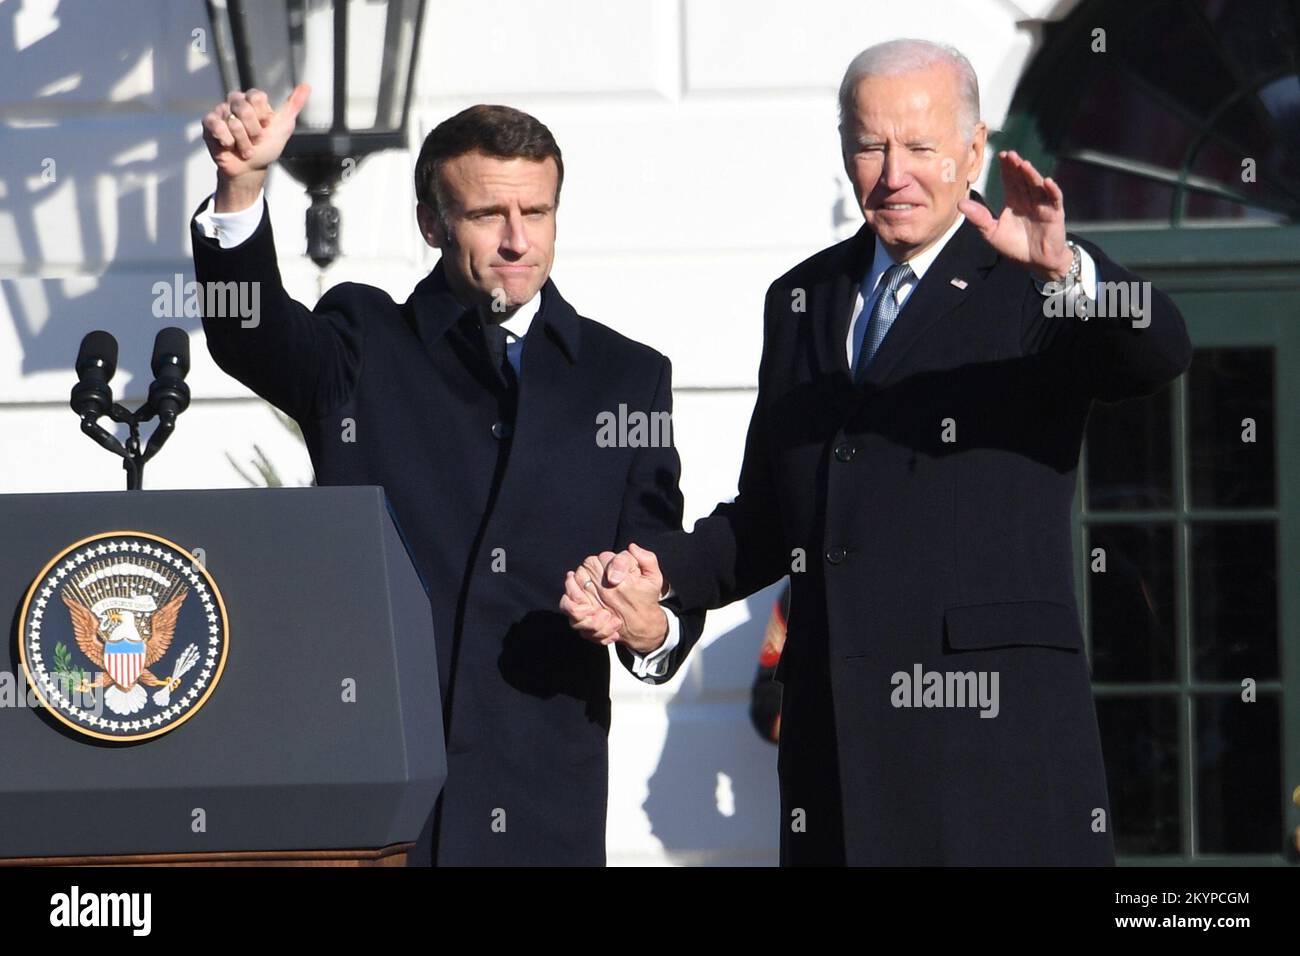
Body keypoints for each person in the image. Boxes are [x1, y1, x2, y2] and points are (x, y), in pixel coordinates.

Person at [562, 38, 1191, 865]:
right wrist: (662, 575)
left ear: (973, 150)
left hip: (992, 760)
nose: (894, 172)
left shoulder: (1033, 283)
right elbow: (770, 517)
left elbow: (1161, 350)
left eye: (921, 147)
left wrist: (1070, 270)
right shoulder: (800, 299)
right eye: (870, 144)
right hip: (836, 761)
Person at [193, 86, 702, 865]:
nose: (514, 240)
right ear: (432, 223)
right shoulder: (362, 344)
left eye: (536, 213)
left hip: (541, 802)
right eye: (485, 215)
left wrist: (649, 626)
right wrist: (242, 190)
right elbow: (248, 335)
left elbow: (659, 566)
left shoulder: (625, 378)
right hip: (378, 799)